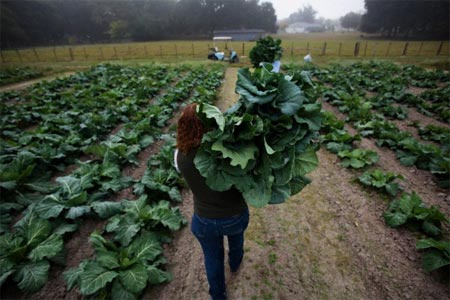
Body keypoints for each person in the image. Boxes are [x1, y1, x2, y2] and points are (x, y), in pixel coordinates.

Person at [175, 103, 249, 300]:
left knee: (212, 258)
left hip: (204, 220)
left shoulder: (178, 156)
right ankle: (235, 263)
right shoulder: (228, 149)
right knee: (236, 239)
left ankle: (218, 295)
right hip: (234, 215)